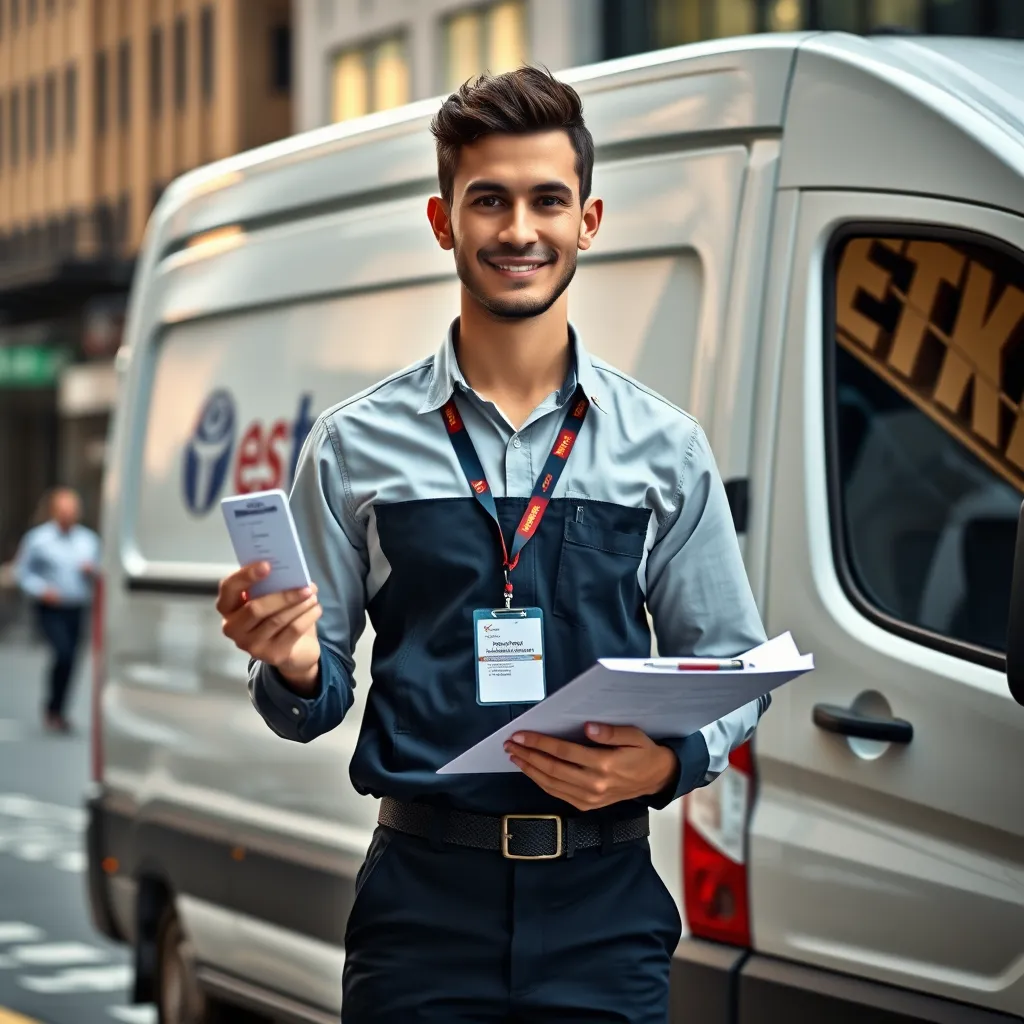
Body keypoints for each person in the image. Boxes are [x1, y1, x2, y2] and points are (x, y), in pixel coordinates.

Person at [217, 67, 770, 1023]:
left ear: (588, 219)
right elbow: (310, 705)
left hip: (606, 908)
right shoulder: (353, 446)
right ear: (444, 221)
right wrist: (301, 667)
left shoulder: (666, 448)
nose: (520, 229)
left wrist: (669, 765)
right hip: (421, 911)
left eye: (547, 199)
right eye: (490, 201)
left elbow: (736, 667)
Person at [14, 487, 100, 733]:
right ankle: (52, 706)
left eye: (72, 511)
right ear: (54, 511)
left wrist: (91, 571)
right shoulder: (38, 539)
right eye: (64, 510)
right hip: (51, 608)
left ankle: (59, 711)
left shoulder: (88, 540)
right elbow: (23, 573)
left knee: (72, 660)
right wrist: (41, 590)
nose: (68, 515)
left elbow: (101, 572)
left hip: (77, 606)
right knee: (62, 653)